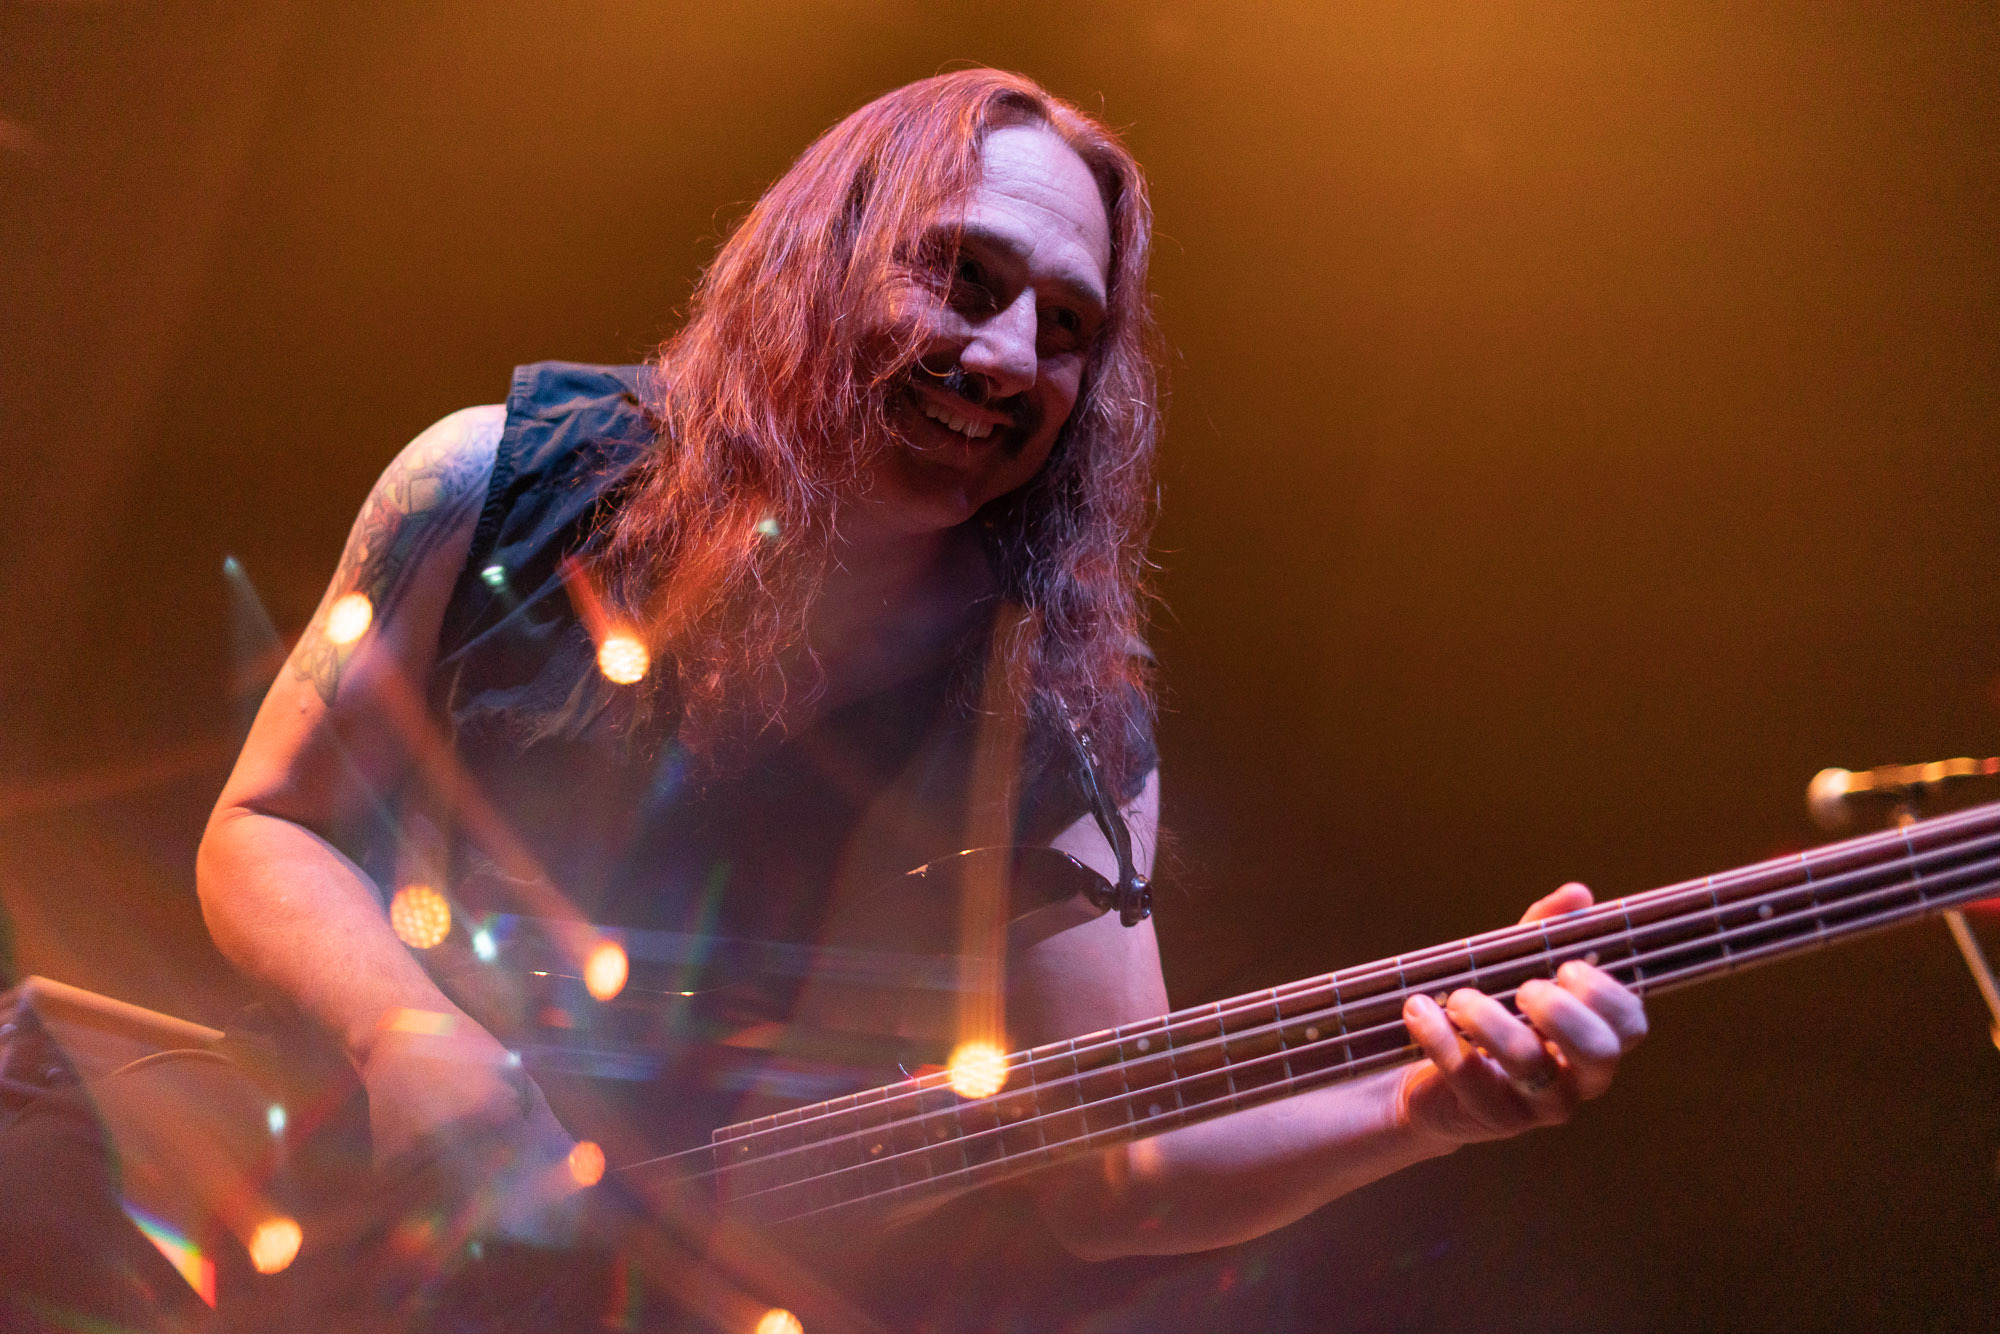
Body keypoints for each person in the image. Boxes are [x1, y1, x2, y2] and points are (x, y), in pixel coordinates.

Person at [194, 67, 1646, 1303]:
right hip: (314, 1244)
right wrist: (408, 1031)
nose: (1010, 358)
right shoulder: (493, 479)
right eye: (964, 278)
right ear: (817, 261)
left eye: (1067, 327)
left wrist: (1418, 1107)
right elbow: (264, 826)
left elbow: (1114, 1168)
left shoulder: (1053, 702)